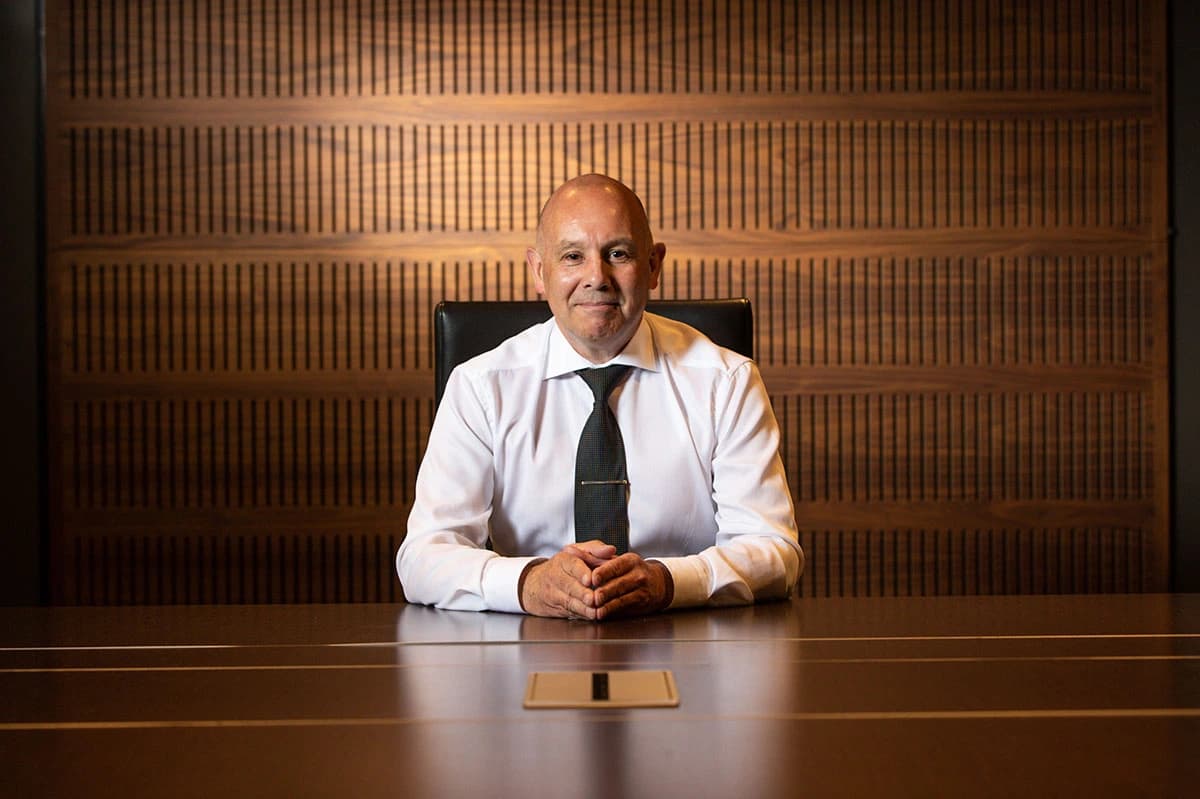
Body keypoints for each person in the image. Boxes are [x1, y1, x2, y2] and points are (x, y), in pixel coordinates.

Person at [396, 174, 802, 619]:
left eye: (618, 254)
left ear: (653, 266)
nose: (597, 277)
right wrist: (529, 583)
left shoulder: (727, 382)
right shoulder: (480, 386)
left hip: (689, 638)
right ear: (538, 271)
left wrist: (669, 581)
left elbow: (774, 552)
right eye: (573, 256)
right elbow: (423, 558)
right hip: (527, 646)